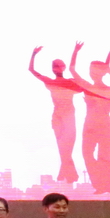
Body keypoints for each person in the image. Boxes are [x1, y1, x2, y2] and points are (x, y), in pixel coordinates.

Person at [29, 44, 83, 183]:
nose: (57, 68)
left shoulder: (70, 83)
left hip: (68, 116)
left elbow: (79, 81)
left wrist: (75, 52)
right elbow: (32, 70)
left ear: (63, 68)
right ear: (53, 69)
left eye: (59, 66)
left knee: (67, 146)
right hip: (59, 116)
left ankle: (65, 174)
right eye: (55, 66)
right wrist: (34, 54)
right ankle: (70, 175)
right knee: (62, 146)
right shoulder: (52, 82)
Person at [68, 41, 110, 193]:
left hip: (103, 124)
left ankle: (105, 185)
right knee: (88, 153)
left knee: (104, 155)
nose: (91, 72)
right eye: (91, 70)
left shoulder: (106, 90)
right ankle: (100, 184)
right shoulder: (88, 86)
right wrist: (75, 51)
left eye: (94, 70)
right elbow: (72, 70)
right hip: (90, 125)